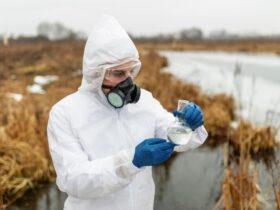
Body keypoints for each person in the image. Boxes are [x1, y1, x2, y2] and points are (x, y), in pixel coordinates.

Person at [47, 15, 208, 210]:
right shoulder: (65, 113)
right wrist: (131, 161)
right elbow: (73, 179)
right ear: (95, 74)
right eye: (118, 74)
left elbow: (174, 137)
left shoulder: (144, 102)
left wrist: (189, 125)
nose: (128, 82)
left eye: (130, 72)